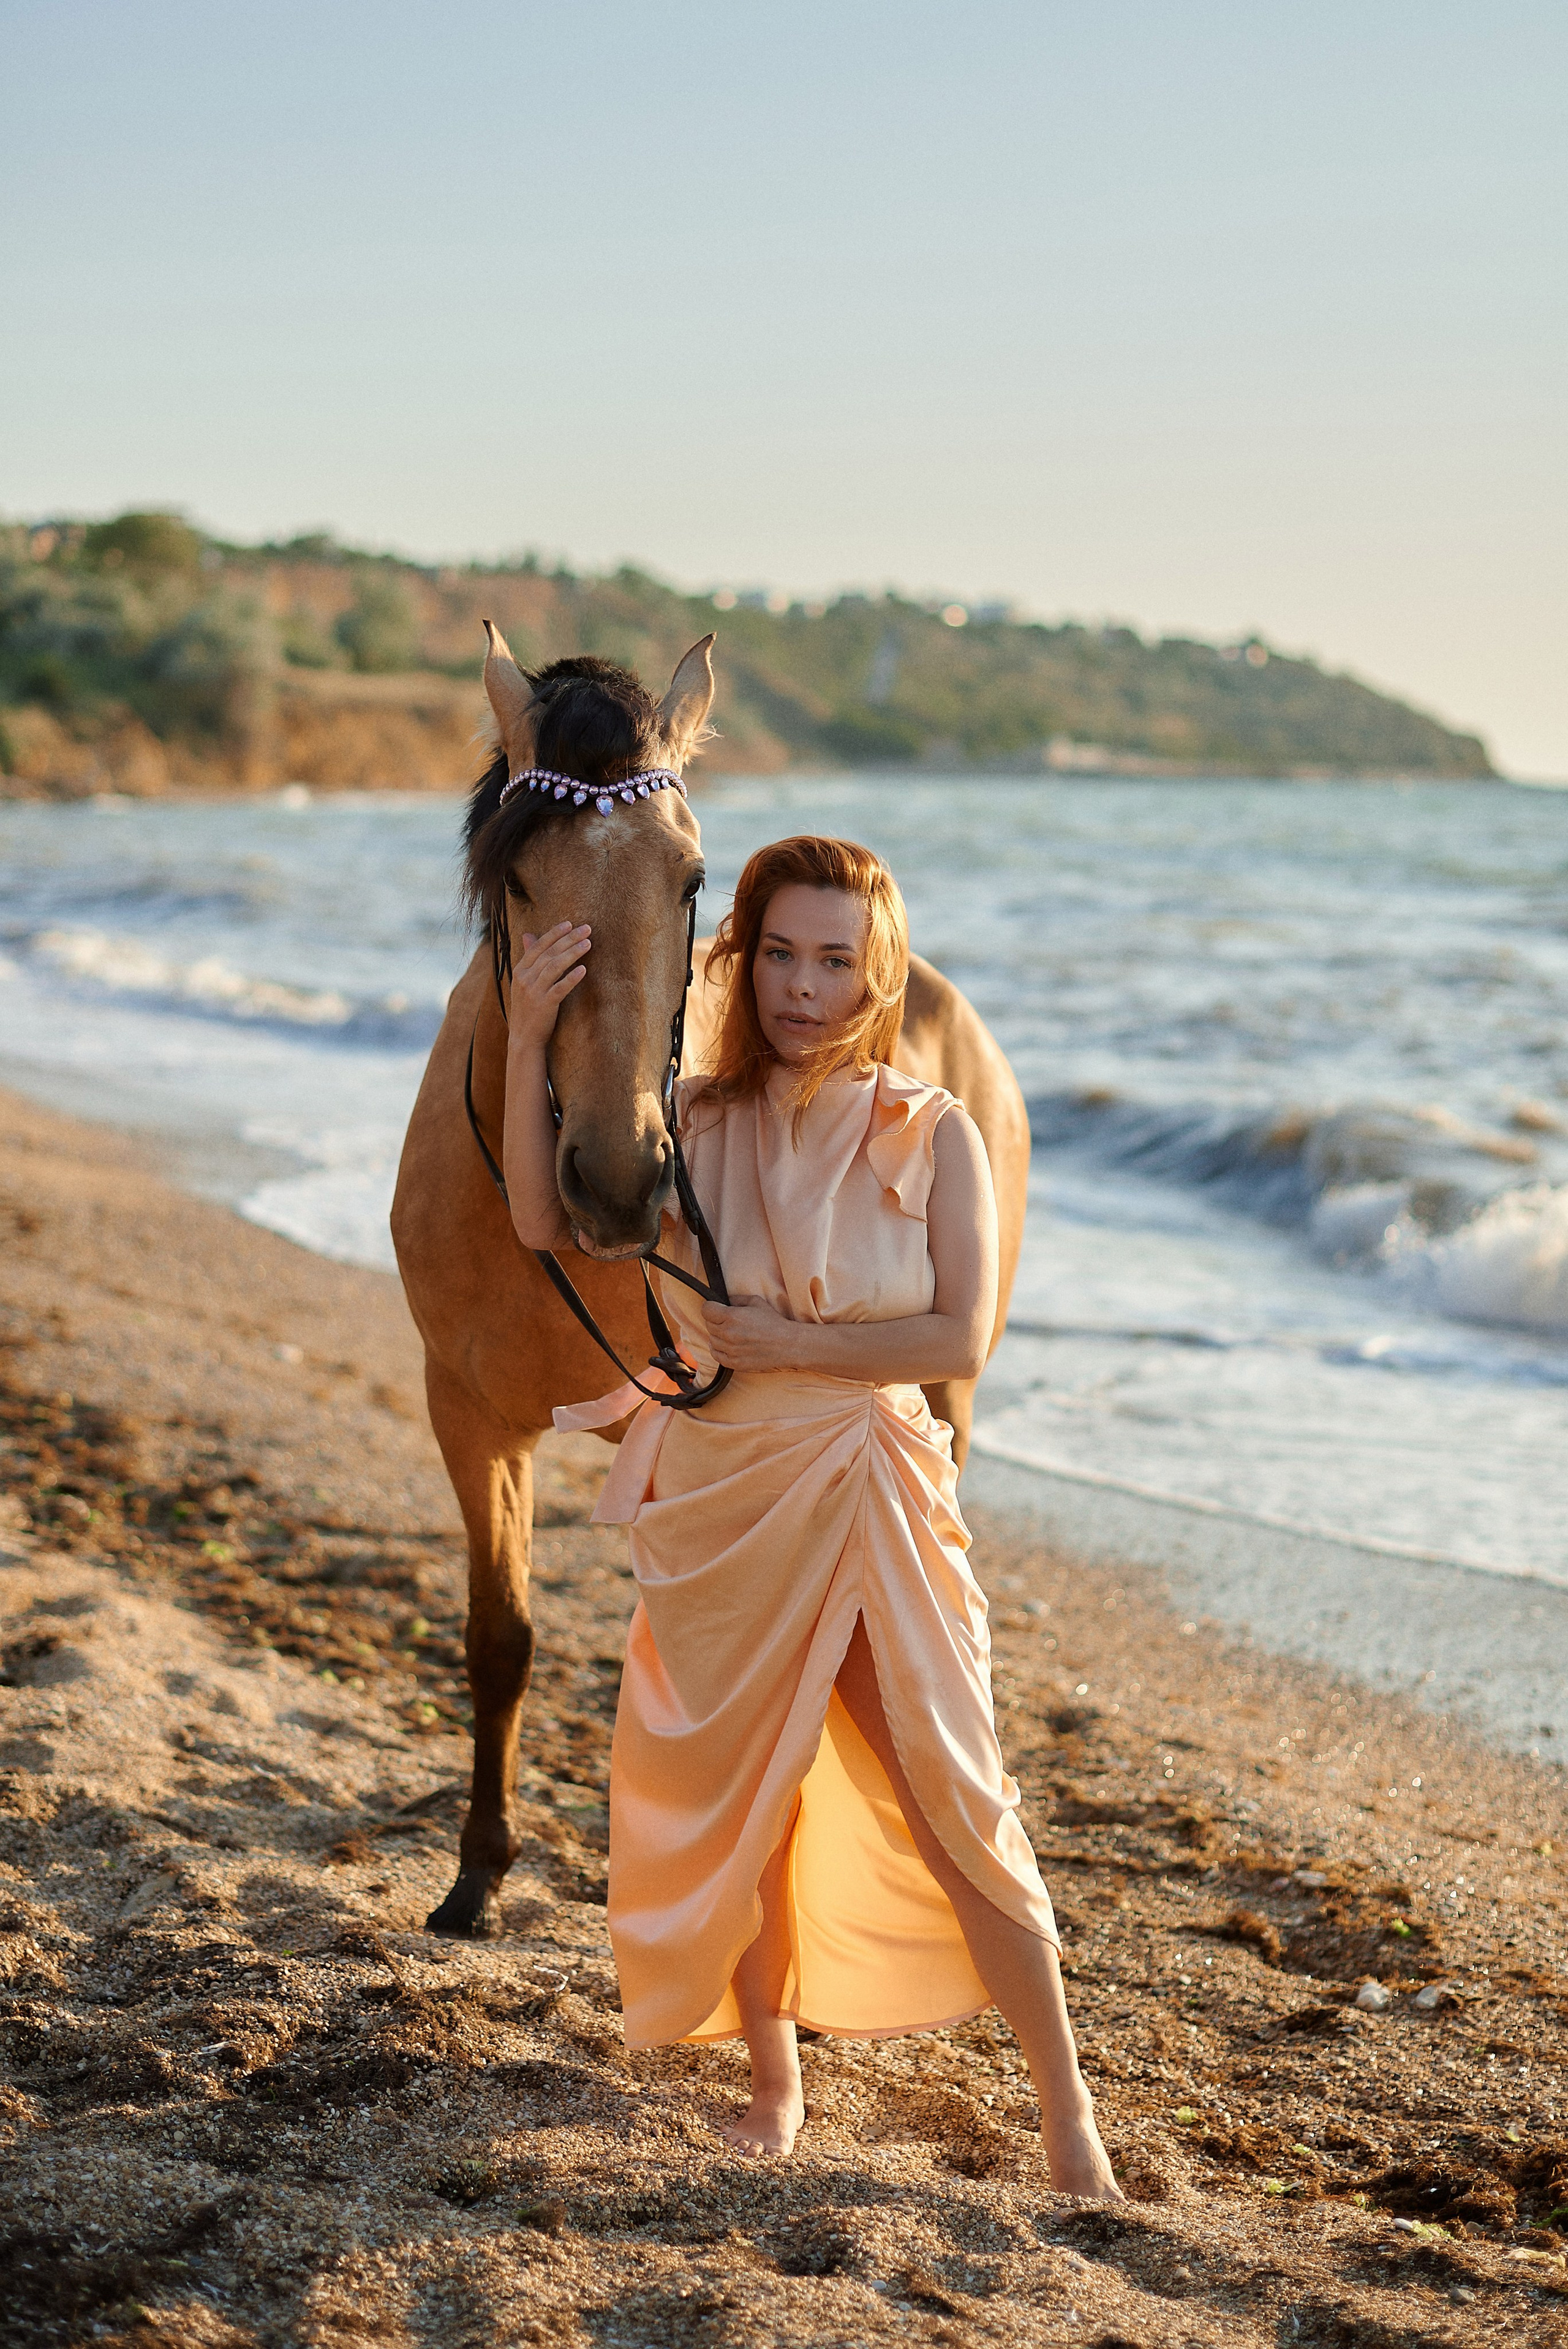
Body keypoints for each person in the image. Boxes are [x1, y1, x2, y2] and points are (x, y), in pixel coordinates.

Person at [505, 832, 1120, 2197]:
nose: (800, 986)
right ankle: (773, 2083)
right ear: (740, 956)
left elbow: (953, 1333)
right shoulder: (695, 1122)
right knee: (746, 1802)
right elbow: (546, 1220)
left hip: (863, 1481)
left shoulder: (930, 1129)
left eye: (833, 959)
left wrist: (774, 1339)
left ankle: (1066, 2114)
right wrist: (533, 1028)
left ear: (874, 970)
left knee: (951, 1786)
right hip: (719, 1495)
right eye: (777, 952)